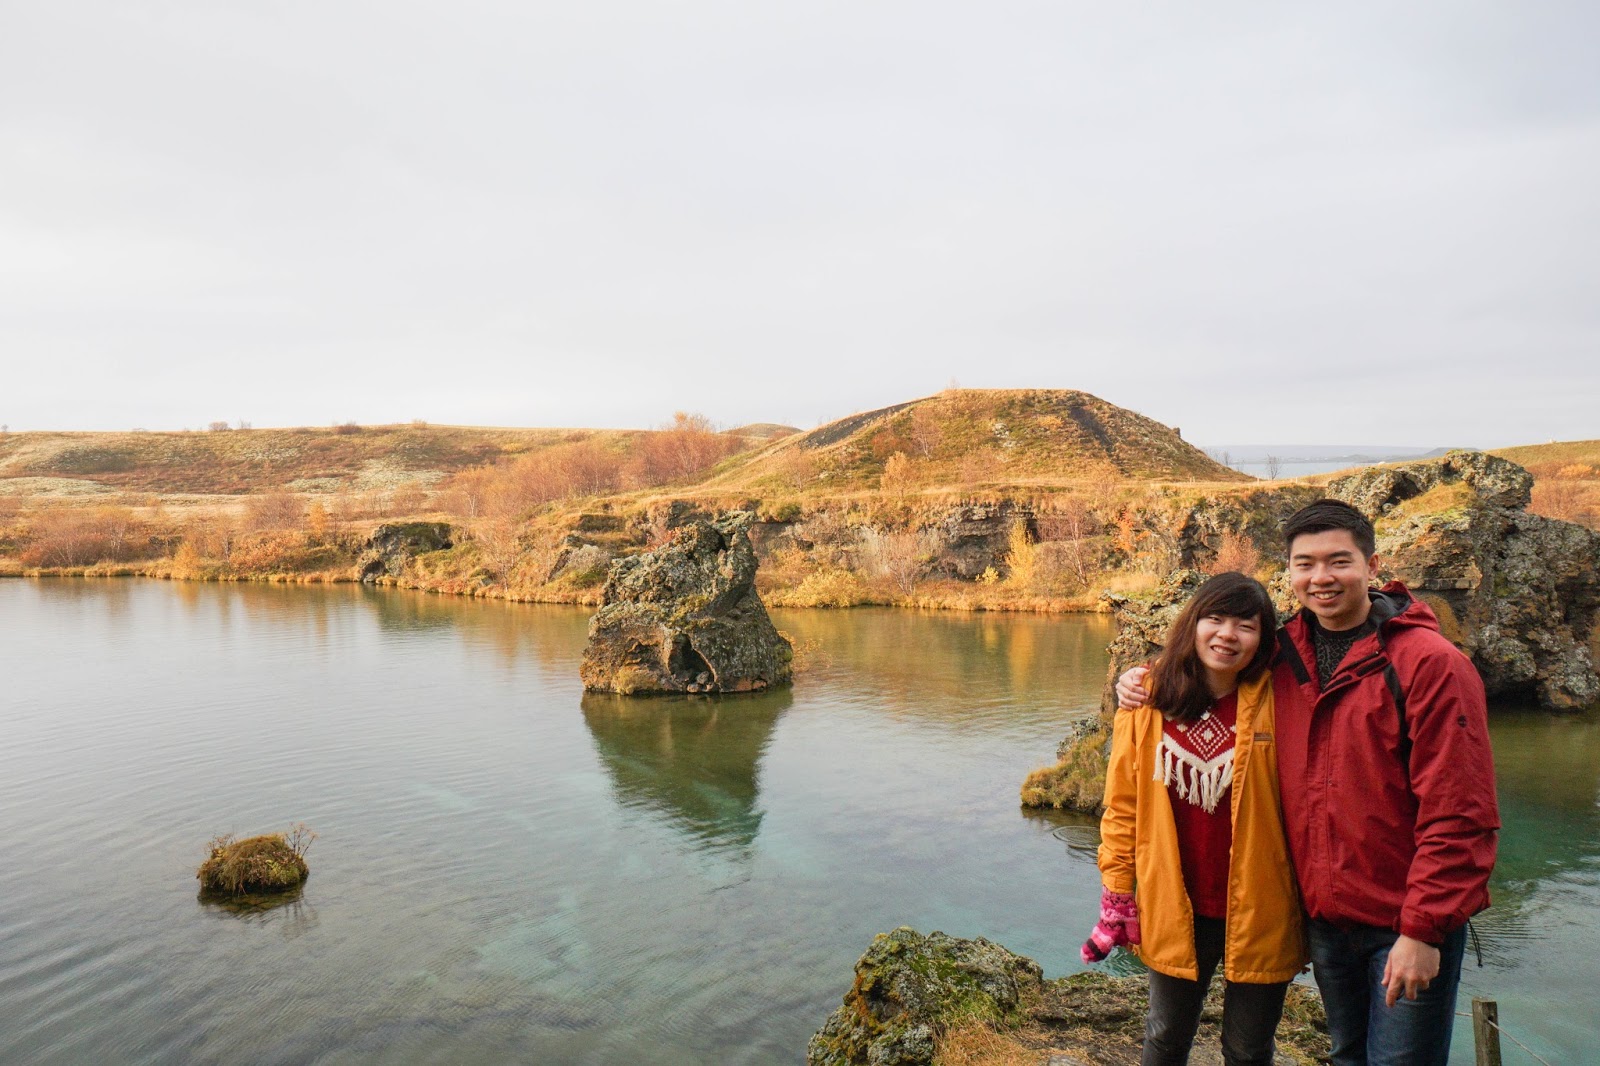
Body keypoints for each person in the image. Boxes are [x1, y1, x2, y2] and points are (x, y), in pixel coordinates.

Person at [1117, 500, 1499, 1066]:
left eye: (1339, 561)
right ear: (1290, 573)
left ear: (1372, 565)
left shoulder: (1430, 664)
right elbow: (1211, 658)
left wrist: (1424, 929)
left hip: (1403, 919)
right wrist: (1140, 680)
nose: (1321, 578)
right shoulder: (1281, 656)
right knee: (1346, 1056)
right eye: (1305, 564)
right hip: (1324, 917)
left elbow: (1461, 812)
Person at [1084, 571, 1306, 1066]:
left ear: (1263, 639)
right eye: (1216, 619)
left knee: (1248, 1048)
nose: (1228, 635)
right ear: (1193, 623)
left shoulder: (1280, 698)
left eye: (1245, 625)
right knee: (1165, 1035)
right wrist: (1118, 890)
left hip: (1262, 902)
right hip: (1174, 898)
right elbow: (1122, 806)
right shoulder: (1148, 699)